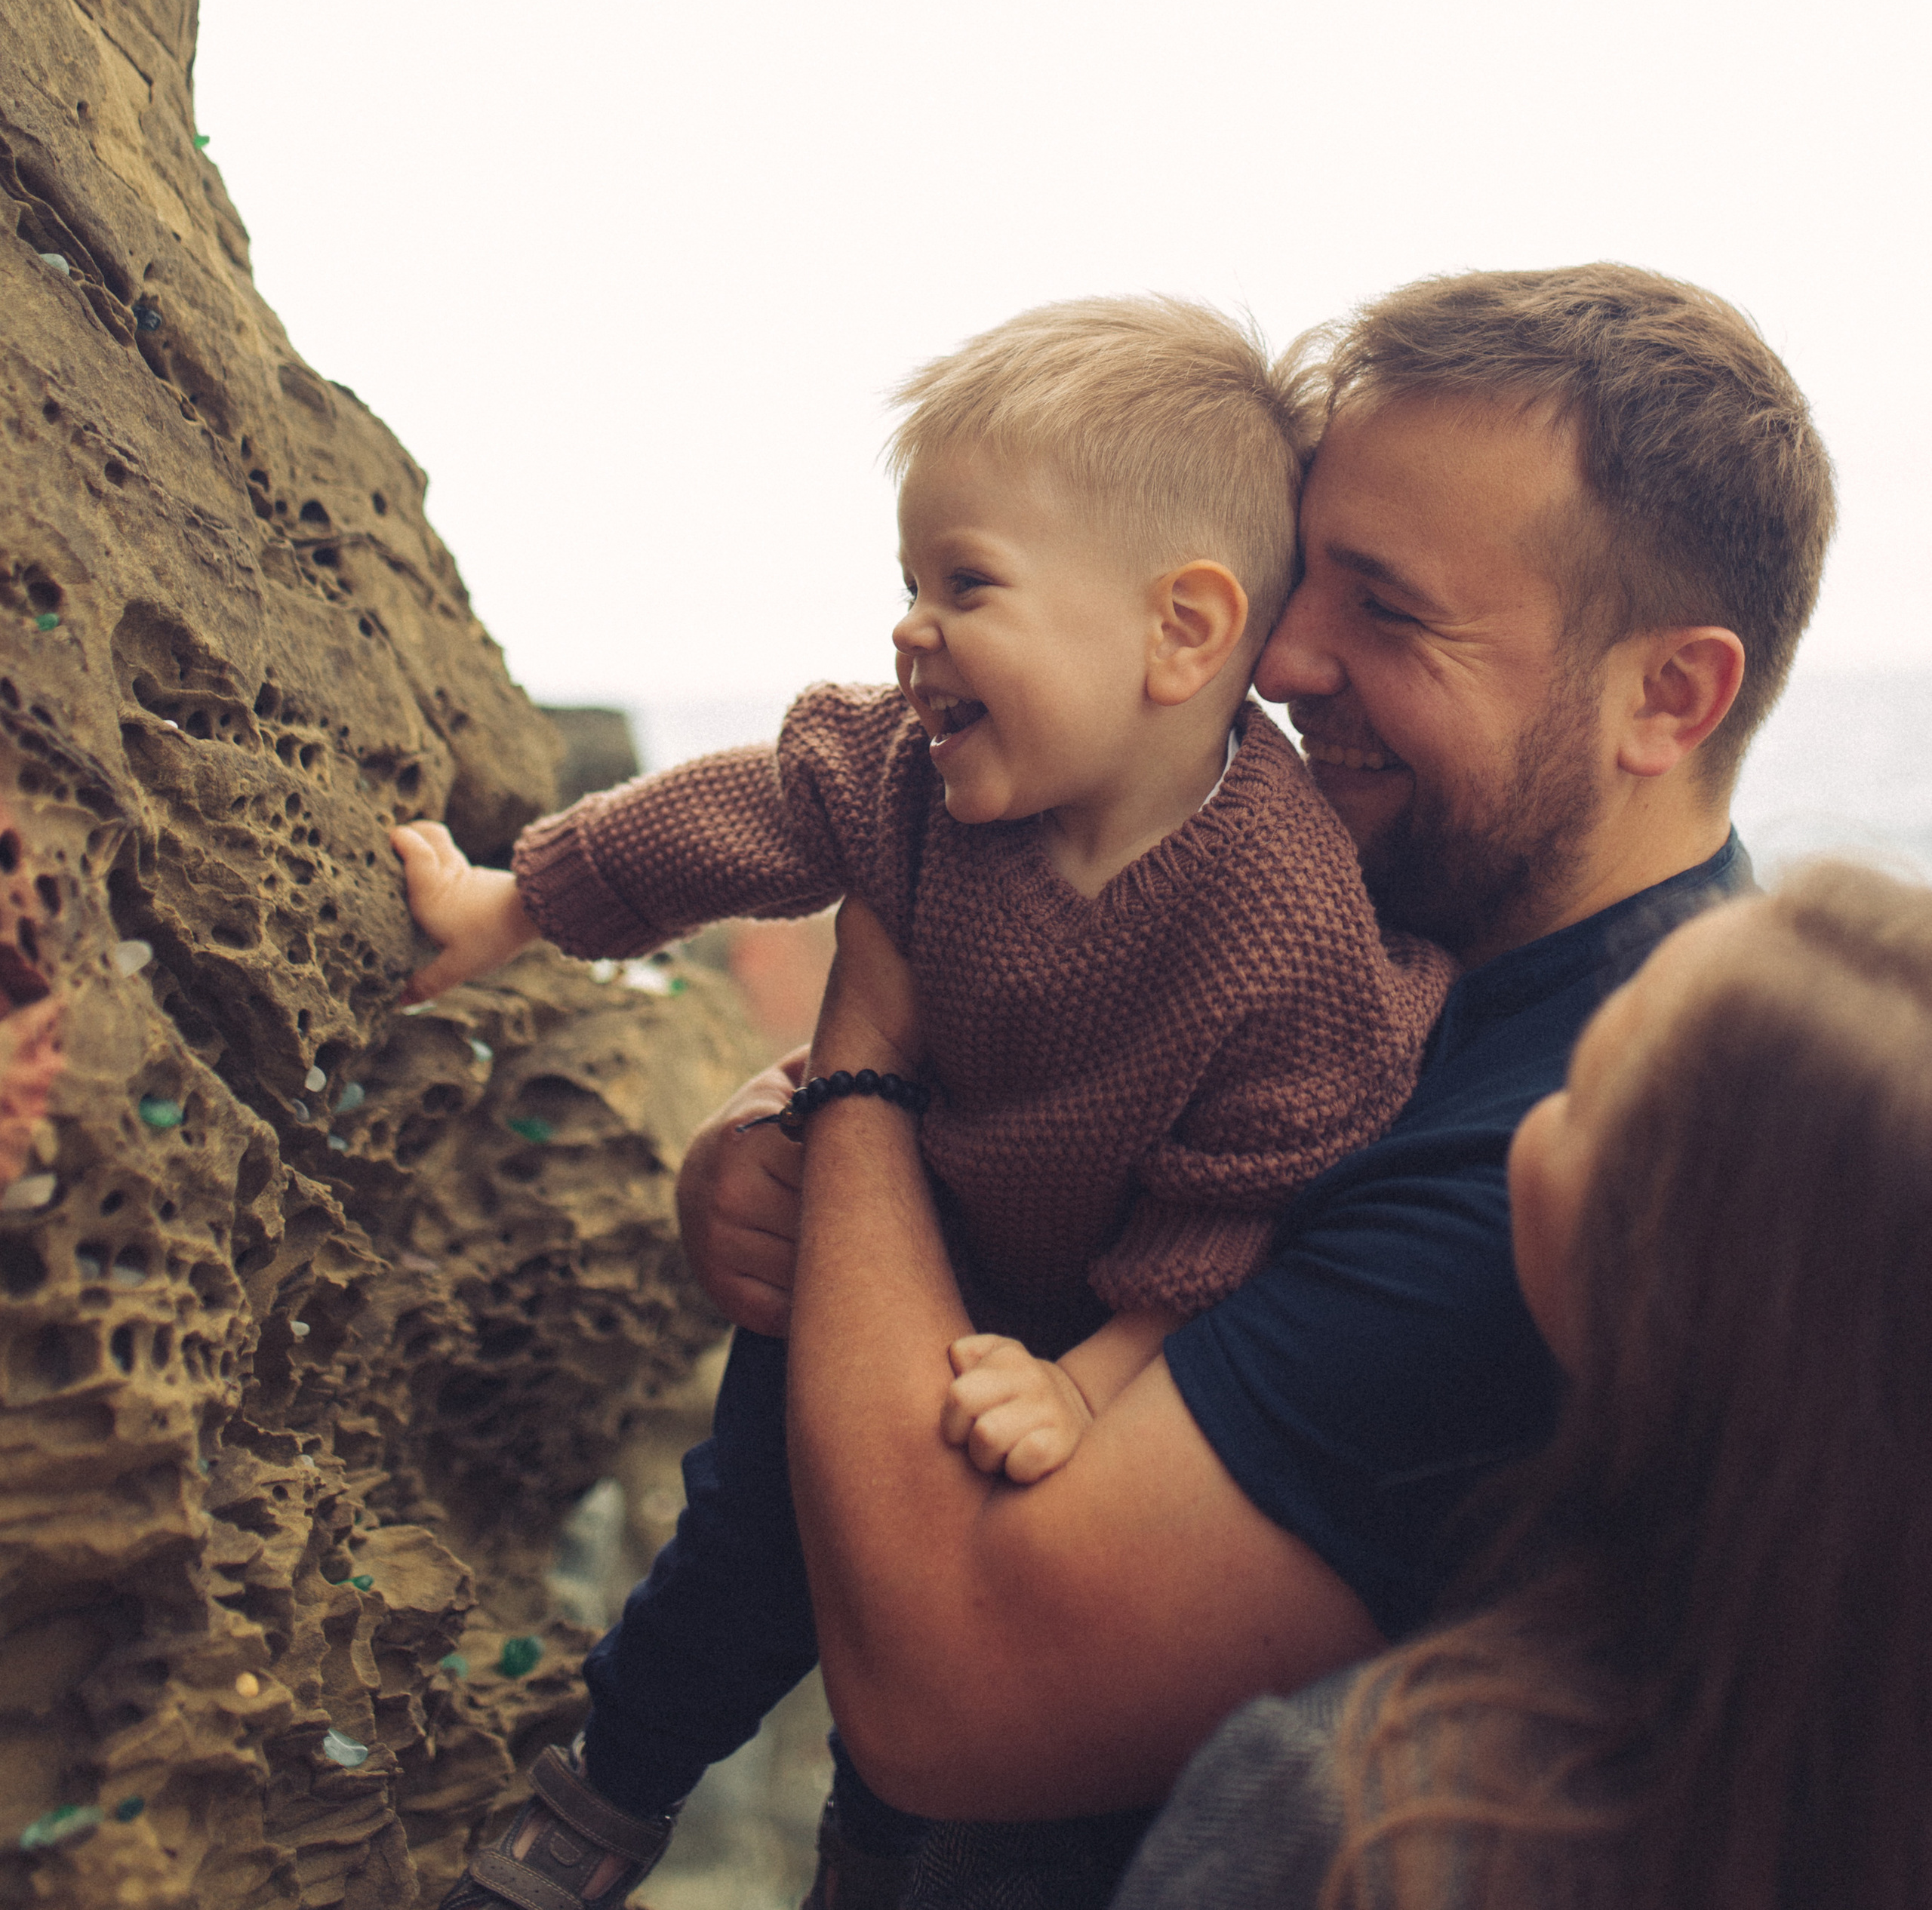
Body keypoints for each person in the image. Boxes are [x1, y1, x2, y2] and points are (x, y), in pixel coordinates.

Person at [672, 262, 1837, 1906]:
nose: (1280, 653)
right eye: (1302, 570)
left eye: (1389, 607)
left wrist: (867, 1063)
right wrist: (798, 1151)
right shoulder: (1372, 914)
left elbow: (955, 1694)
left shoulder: (1572, 1166)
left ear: (1667, 696)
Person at [393, 297, 1450, 1909]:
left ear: (1178, 632)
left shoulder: (1283, 915)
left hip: (1080, 1318)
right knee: (743, 1541)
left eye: (966, 584)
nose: (909, 628)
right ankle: (605, 1795)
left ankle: (877, 1849)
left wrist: (1095, 1381)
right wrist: (515, 904)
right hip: (884, 1254)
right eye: (908, 581)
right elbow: (726, 818)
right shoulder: (905, 775)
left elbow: (1246, 1193)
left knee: (914, 1680)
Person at [1110, 857, 1932, 1910]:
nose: (1539, 1102)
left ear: (1654, 1294)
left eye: (1583, 1091)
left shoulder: (1348, 1816)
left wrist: (876, 1061)